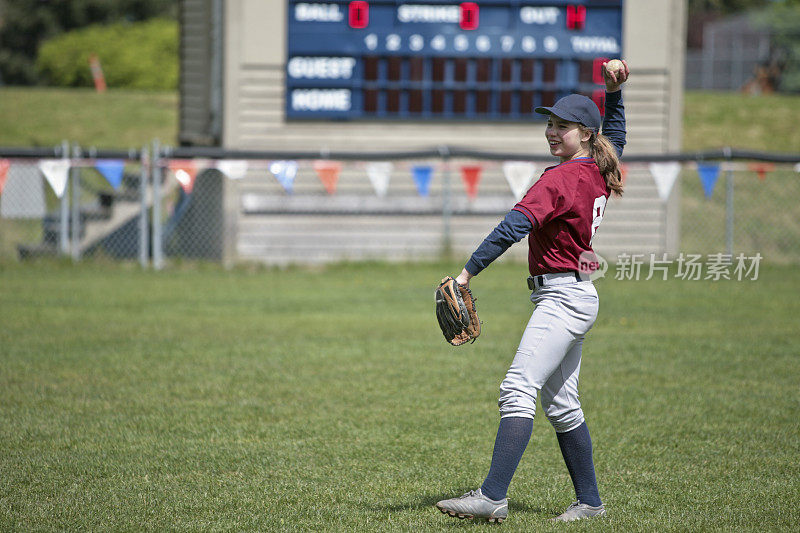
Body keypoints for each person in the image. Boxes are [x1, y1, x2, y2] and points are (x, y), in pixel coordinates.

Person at [435, 60, 630, 524]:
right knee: (562, 404)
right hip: (577, 295)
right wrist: (614, 94)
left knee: (517, 388)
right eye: (549, 123)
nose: (551, 131)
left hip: (563, 297)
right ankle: (591, 503)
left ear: (584, 133)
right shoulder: (599, 165)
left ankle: (492, 497)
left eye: (562, 126)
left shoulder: (559, 179)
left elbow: (512, 228)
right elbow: (616, 136)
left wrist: (466, 275)